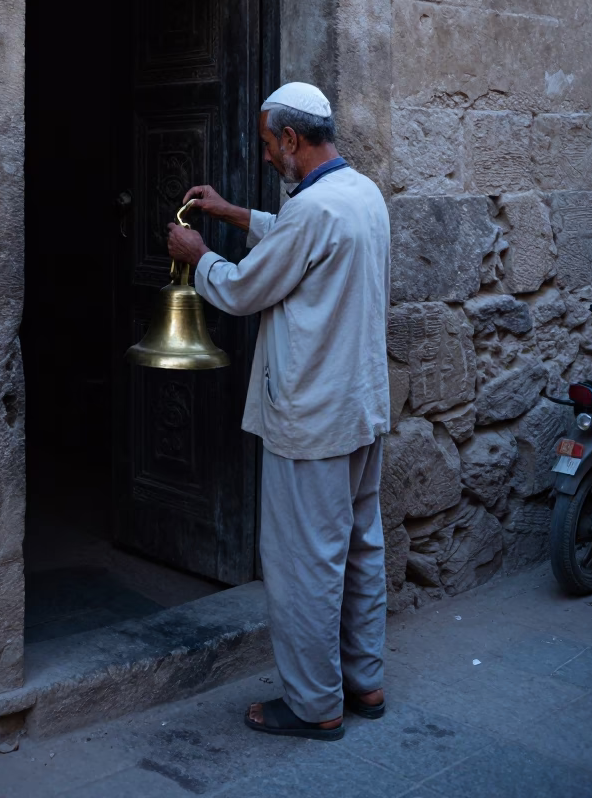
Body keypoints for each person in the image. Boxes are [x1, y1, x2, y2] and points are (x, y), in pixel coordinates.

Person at [167, 82, 390, 741]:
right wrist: (237, 214)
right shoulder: (362, 195)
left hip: (311, 418)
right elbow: (301, 241)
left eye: (269, 145)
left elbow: (241, 289)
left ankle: (317, 703)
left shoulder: (313, 211)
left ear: (292, 139)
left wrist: (199, 257)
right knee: (359, 549)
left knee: (305, 565)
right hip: (360, 409)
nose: (266, 155)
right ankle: (364, 682)